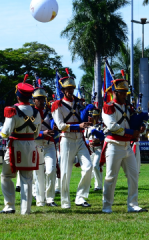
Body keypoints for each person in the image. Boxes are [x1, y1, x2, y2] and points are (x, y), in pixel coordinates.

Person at [100, 78, 148, 213]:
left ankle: (133, 204)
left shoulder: (128, 107)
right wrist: (132, 133)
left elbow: (133, 121)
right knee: (111, 177)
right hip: (114, 145)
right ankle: (107, 206)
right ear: (114, 92)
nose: (124, 95)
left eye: (125, 92)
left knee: (134, 175)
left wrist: (141, 127)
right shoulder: (108, 107)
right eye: (121, 92)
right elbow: (112, 126)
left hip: (127, 146)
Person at [0, 75, 42, 214]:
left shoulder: (12, 111)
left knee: (6, 176)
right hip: (30, 145)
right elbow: (36, 133)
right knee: (27, 178)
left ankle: (10, 205)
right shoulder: (36, 112)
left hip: (15, 146)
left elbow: (5, 132)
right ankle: (26, 209)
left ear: (18, 96)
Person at [51, 73, 94, 209]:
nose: (70, 91)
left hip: (80, 139)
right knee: (65, 172)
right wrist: (78, 126)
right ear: (63, 90)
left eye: (72, 89)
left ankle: (80, 198)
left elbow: (82, 118)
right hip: (67, 139)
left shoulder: (79, 102)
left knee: (88, 167)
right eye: (68, 89)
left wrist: (88, 121)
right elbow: (60, 125)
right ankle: (65, 201)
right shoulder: (57, 105)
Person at [32, 81, 59, 207]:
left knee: (51, 170)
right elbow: (30, 132)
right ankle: (39, 199)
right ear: (34, 100)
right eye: (38, 99)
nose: (41, 101)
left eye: (43, 99)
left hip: (49, 145)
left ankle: (50, 199)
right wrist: (43, 133)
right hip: (36, 144)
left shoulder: (51, 111)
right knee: (38, 174)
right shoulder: (30, 113)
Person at [85, 108, 105, 191]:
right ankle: (88, 183)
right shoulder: (87, 126)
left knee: (96, 166)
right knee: (89, 167)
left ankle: (98, 185)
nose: (93, 118)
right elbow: (85, 138)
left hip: (98, 148)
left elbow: (106, 136)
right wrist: (88, 143)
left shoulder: (102, 126)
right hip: (90, 149)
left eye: (95, 116)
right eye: (91, 116)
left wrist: (99, 140)